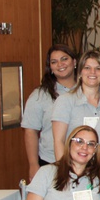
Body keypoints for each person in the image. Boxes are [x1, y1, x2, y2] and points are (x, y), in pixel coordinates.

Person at [23, 44, 77, 180]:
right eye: (54, 62)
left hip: (86, 161)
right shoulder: (40, 95)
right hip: (50, 161)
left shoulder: (88, 91)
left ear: (74, 62)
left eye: (64, 59)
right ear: (50, 68)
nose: (60, 64)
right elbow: (30, 131)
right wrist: (33, 164)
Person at [51, 51, 100, 160]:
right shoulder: (65, 101)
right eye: (87, 68)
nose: (92, 72)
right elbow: (59, 141)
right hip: (75, 165)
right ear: (80, 72)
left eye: (98, 68)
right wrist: (64, 169)